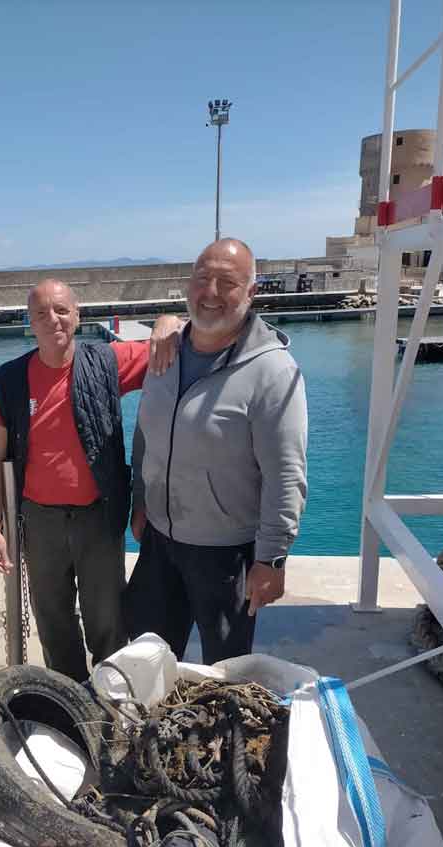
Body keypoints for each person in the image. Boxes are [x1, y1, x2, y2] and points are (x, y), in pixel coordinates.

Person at [127, 238, 308, 663]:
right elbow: (145, 435)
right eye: (202, 279)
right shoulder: (163, 352)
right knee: (144, 656)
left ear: (251, 292)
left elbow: (286, 474)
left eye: (227, 282)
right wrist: (141, 500)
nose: (211, 292)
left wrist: (273, 559)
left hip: (226, 556)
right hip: (159, 541)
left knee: (226, 671)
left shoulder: (273, 372)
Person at [0, 279, 164, 681]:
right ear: (30, 322)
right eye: (42, 313)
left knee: (108, 623)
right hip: (40, 522)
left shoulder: (107, 363)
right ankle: (68, 701)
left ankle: (113, 703)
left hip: (98, 518)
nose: (54, 320)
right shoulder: (9, 381)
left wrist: (166, 322)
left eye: (62, 310)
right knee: (53, 623)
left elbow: (175, 344)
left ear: (78, 314)